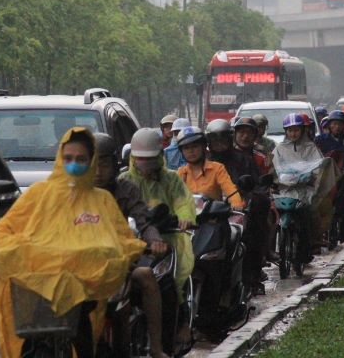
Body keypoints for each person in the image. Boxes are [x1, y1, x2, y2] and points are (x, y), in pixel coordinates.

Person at [0, 127, 145, 358]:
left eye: (81, 159)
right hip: (39, 295)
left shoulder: (102, 199)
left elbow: (122, 238)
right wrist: (0, 246)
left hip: (85, 294)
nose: (74, 164)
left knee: (87, 339)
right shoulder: (38, 194)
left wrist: (122, 252)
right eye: (68, 158)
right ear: (60, 158)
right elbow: (6, 227)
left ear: (91, 162)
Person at [119, 128, 196, 349]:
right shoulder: (123, 181)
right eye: (140, 159)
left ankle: (169, 339)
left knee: (171, 287)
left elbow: (183, 201)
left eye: (150, 159)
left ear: (159, 157)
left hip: (167, 242)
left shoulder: (171, 179)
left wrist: (184, 219)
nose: (144, 163)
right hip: (132, 245)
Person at [93, 133, 169, 358]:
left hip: (120, 264)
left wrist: (155, 240)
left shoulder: (127, 190)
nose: (98, 172)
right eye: (93, 165)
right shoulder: (77, 192)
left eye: (104, 165)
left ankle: (155, 347)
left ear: (115, 164)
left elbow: (144, 222)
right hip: (83, 266)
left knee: (146, 274)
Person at [272, 113, 338, 252]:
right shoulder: (279, 148)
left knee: (310, 213)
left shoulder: (311, 147)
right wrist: (279, 177)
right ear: (286, 131)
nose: (293, 133)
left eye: (296, 130)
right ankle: (271, 248)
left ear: (302, 130)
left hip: (305, 188)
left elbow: (318, 166)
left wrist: (309, 175)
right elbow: (274, 166)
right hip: (285, 189)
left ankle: (312, 240)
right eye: (290, 130)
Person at [231, 117, 272, 295]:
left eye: (248, 133)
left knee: (256, 234)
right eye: (241, 132)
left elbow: (264, 183)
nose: (244, 136)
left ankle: (255, 273)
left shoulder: (259, 157)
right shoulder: (220, 158)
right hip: (227, 206)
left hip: (251, 206)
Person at [175, 126, 242, 208]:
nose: (191, 151)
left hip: (213, 218)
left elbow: (231, 190)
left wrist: (236, 203)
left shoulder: (217, 168)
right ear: (181, 151)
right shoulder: (181, 173)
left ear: (203, 147)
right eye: (186, 148)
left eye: (195, 146)